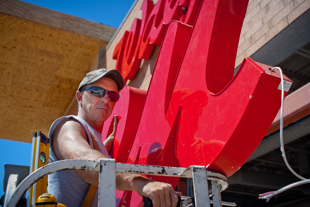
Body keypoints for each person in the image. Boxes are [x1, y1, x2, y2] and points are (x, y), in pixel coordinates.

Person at [47, 68, 179, 207]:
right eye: (97, 92)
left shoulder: (94, 138)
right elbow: (84, 161)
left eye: (113, 96)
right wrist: (143, 184)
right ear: (79, 97)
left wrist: (106, 144)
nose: (106, 100)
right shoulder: (68, 125)